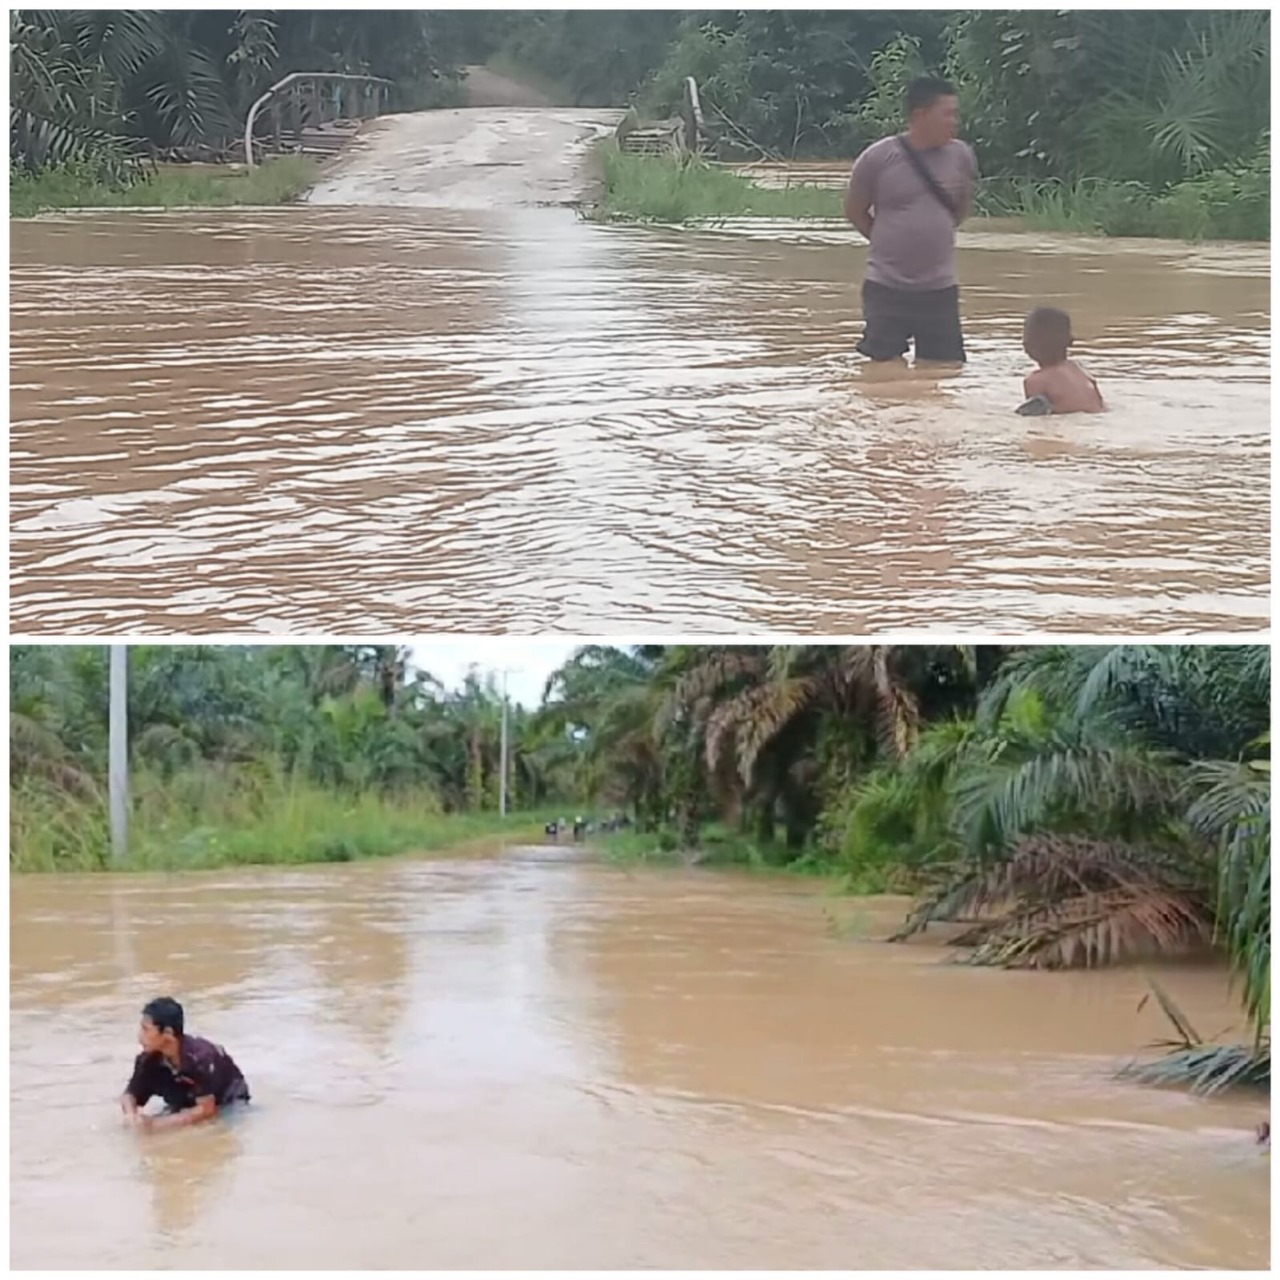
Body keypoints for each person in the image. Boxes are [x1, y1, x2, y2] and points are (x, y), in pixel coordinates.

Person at [844, 75, 979, 368]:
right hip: (886, 286)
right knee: (882, 370)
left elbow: (960, 209)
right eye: (948, 114)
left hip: (940, 289)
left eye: (956, 114)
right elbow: (855, 210)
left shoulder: (961, 156)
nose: (955, 122)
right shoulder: (877, 158)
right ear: (920, 115)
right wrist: (885, 241)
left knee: (944, 372)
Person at [120, 997, 250, 1132]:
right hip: (187, 1101)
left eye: (146, 1029)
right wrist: (131, 1116)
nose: (139, 1036)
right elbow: (130, 1095)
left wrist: (155, 1125)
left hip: (227, 1103)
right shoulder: (148, 1060)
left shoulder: (201, 1058)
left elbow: (207, 1110)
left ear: (168, 1033)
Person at [1018, 307, 1105, 415]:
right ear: (1070, 341)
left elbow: (1035, 416)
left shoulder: (1035, 381)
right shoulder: (1077, 369)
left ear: (1027, 345)